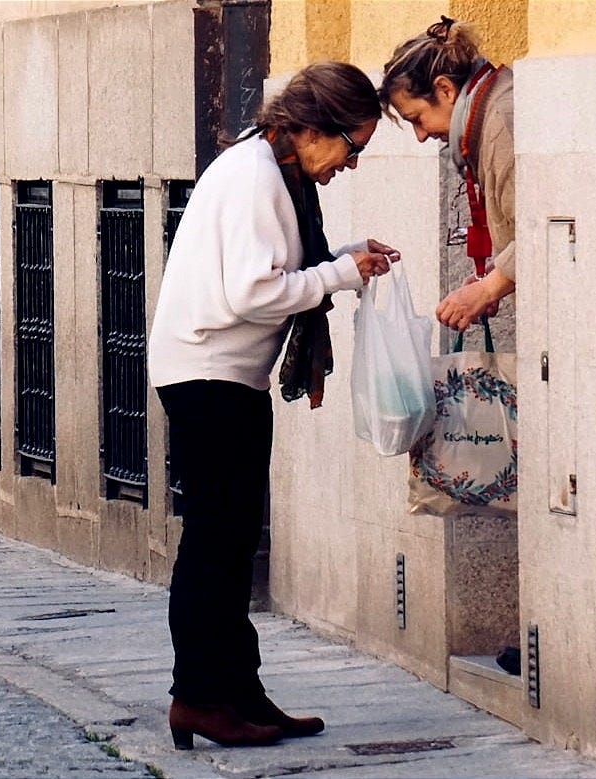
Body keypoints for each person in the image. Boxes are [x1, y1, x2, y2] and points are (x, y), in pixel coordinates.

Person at [148, 61, 400, 750]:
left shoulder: (269, 169)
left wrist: (347, 258)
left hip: (224, 373)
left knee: (230, 540)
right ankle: (199, 697)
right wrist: (341, 274)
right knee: (215, 541)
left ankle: (236, 690)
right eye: (352, 148)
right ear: (315, 128)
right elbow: (254, 292)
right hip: (208, 374)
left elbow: (279, 271)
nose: (349, 165)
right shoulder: (258, 176)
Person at [378, 14, 515, 332]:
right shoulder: (488, 115)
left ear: (445, 90)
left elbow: (537, 235)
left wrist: (486, 289)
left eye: (417, 118)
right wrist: (494, 279)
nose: (421, 136)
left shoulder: (502, 124)